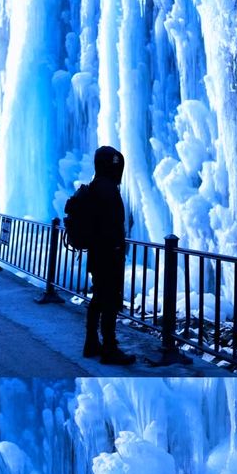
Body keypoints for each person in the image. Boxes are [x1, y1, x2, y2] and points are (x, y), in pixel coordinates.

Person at [83, 145, 136, 365]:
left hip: (97, 254)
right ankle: (109, 348)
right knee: (110, 301)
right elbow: (111, 225)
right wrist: (116, 249)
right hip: (108, 255)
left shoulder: (95, 186)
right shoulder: (108, 190)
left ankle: (91, 342)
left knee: (98, 299)